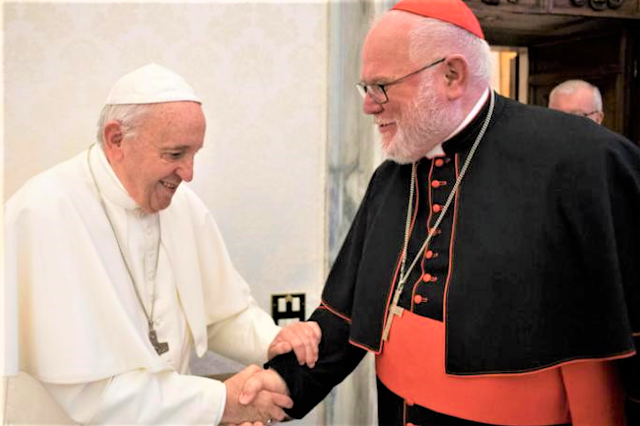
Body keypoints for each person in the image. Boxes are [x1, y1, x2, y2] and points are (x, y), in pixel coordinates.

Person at [239, 0, 640, 425]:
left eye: (382, 87)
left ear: (452, 75)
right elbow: (349, 313)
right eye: (366, 88)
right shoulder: (392, 177)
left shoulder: (583, 160)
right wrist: (282, 385)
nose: (369, 106)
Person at [3, 63, 321, 426]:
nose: (188, 174)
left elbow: (223, 314)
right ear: (116, 139)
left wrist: (275, 340)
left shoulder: (180, 206)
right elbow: (88, 395)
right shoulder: (42, 213)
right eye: (175, 154)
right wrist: (221, 402)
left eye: (194, 154)